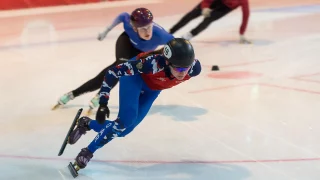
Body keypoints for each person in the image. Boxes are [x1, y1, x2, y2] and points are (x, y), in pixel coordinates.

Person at [66, 38, 201, 172]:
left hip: (153, 89)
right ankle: (88, 152)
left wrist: (183, 68)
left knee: (125, 131)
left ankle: (87, 123)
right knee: (125, 121)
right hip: (135, 78)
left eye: (186, 67)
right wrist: (103, 103)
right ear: (167, 62)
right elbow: (112, 72)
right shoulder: (151, 64)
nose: (183, 73)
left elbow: (185, 68)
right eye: (179, 68)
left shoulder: (194, 69)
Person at [52, 7, 174, 112]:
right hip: (126, 42)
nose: (148, 32)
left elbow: (176, 45)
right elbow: (122, 16)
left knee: (117, 71)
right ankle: (93, 94)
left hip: (141, 52)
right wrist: (106, 31)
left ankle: (76, 93)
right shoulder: (128, 24)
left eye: (149, 27)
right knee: (120, 67)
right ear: (135, 28)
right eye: (143, 29)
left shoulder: (161, 35)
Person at [169, 0, 251, 44]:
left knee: (208, 20)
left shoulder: (243, 1)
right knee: (190, 15)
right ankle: (171, 31)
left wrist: (242, 33)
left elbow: (246, 16)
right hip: (212, 1)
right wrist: (205, 7)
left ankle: (188, 35)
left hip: (224, 9)